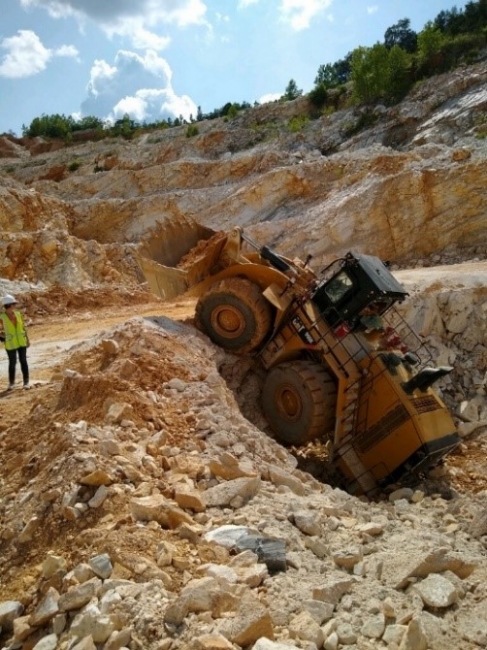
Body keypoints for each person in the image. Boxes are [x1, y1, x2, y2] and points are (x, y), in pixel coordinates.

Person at [0, 294, 30, 390]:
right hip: (10, 343)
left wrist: (27, 339)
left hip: (21, 342)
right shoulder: (1, 317)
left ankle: (26, 382)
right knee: (12, 363)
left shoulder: (18, 314)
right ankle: (12, 383)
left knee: (23, 361)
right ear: (9, 305)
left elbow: (23, 328)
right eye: (14, 304)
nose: (15, 305)